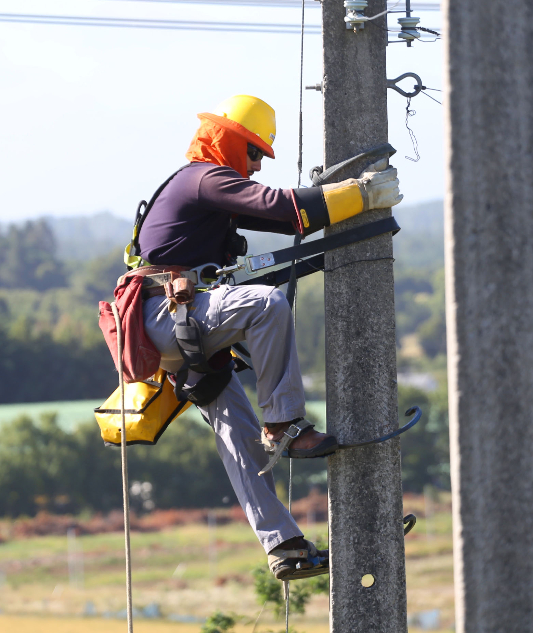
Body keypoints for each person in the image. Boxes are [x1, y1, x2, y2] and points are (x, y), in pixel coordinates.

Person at [128, 95, 403, 580]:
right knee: (265, 303)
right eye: (253, 152)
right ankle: (283, 425)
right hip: (167, 318)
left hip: (183, 328)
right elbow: (279, 205)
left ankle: (284, 546)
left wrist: (334, 199)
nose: (255, 165)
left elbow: (284, 216)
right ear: (229, 142)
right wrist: (361, 193)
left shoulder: (209, 191)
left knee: (237, 437)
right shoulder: (203, 178)